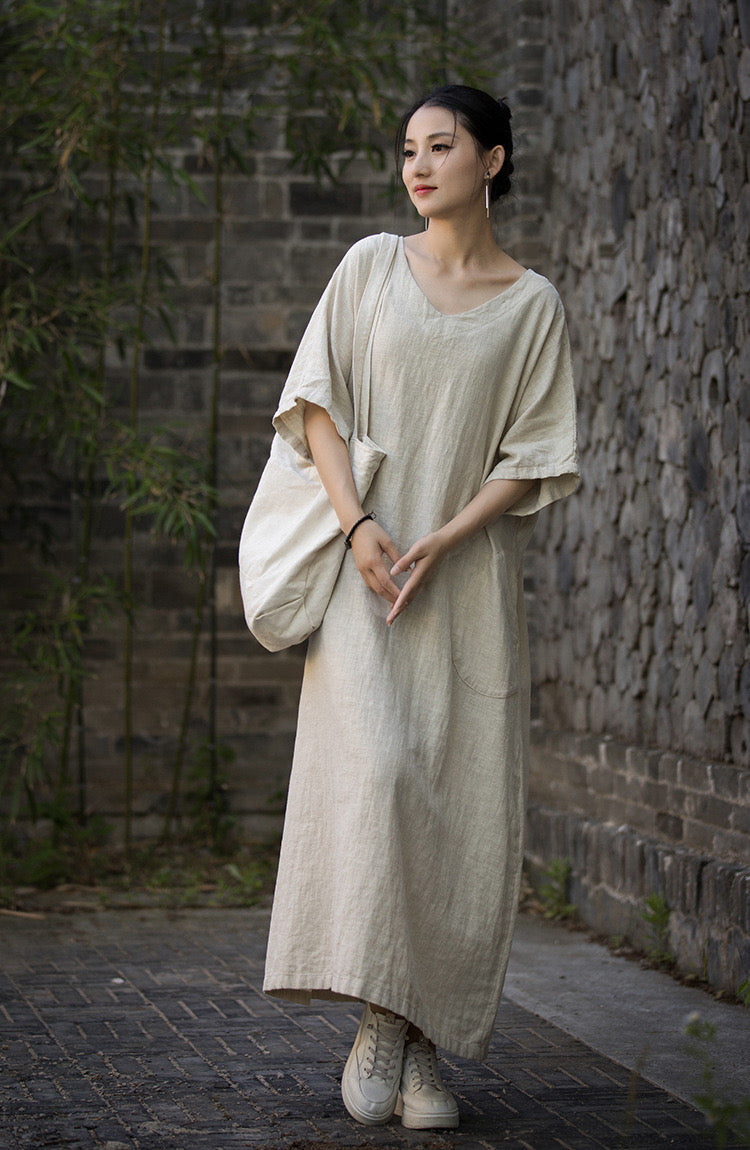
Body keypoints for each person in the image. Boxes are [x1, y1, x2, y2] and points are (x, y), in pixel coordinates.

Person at [261, 84, 579, 1130]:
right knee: (387, 779)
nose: (419, 166)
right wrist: (359, 525)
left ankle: (416, 1034)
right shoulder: (368, 268)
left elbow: (534, 451)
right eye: (408, 150)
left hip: (465, 579)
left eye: (441, 147)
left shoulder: (531, 304)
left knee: (456, 807)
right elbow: (316, 405)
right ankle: (381, 1016)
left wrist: (449, 534)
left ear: (493, 160)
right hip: (370, 577)